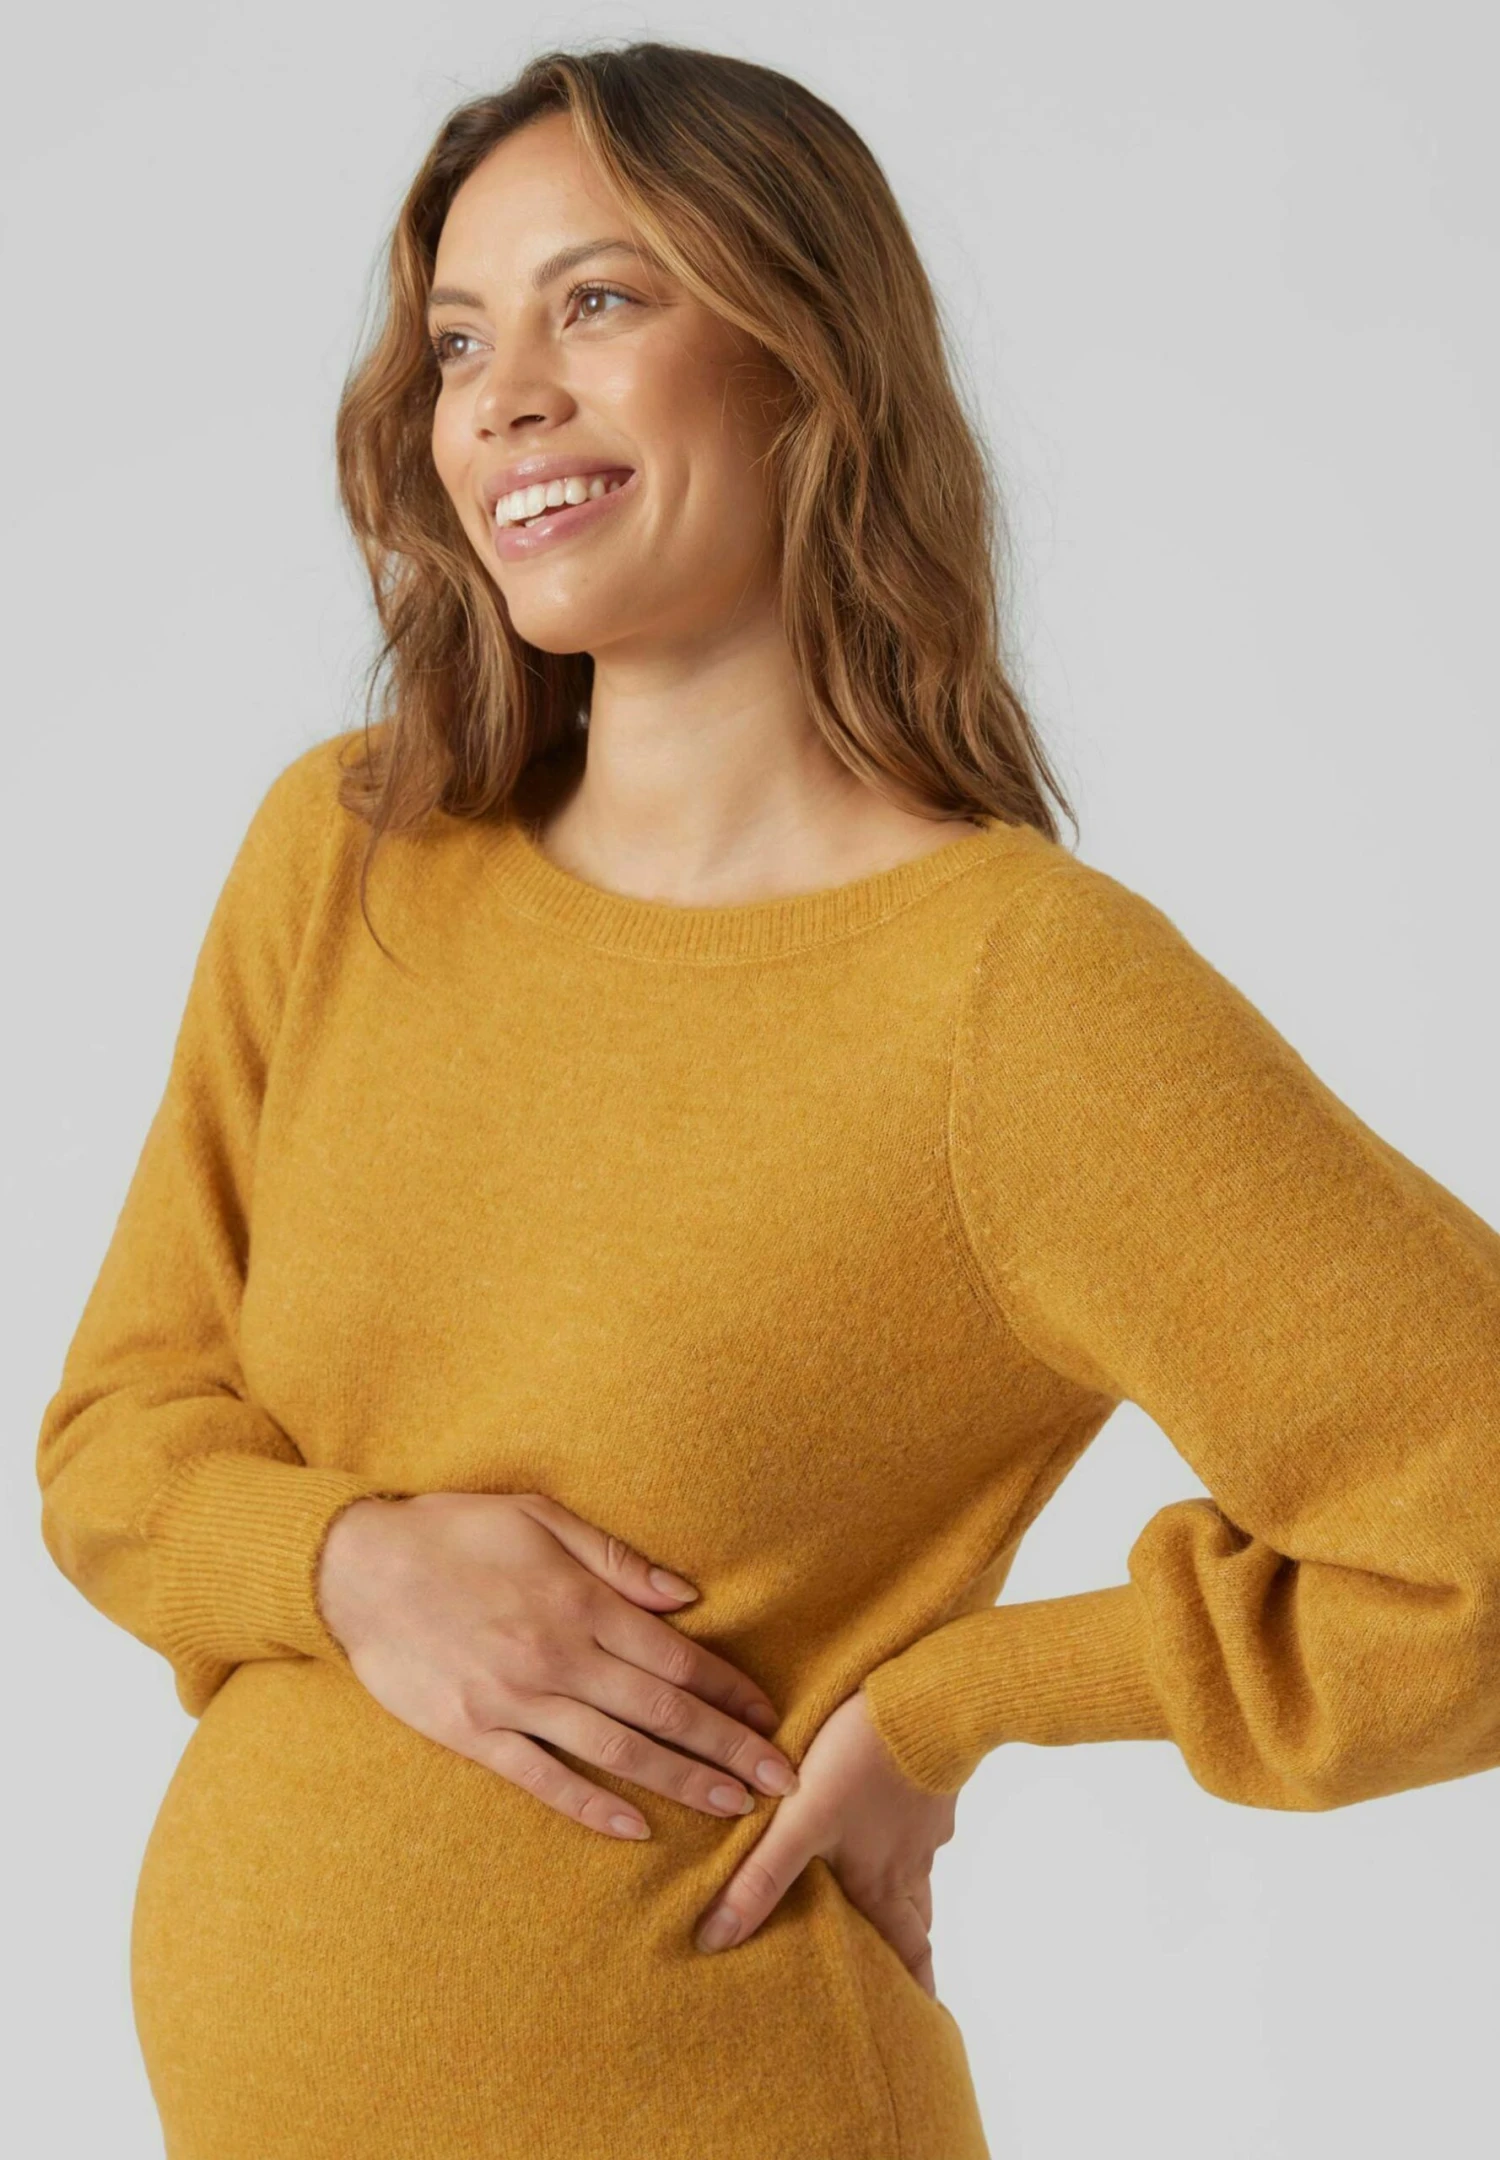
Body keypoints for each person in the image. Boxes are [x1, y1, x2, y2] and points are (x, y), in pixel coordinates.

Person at [35, 37, 1500, 2160]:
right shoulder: (350, 860)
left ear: (806, 358)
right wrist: (347, 1560)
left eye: (599, 301)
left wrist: (957, 1701)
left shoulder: (1011, 995)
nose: (503, 396)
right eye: (461, 340)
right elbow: (116, 1433)